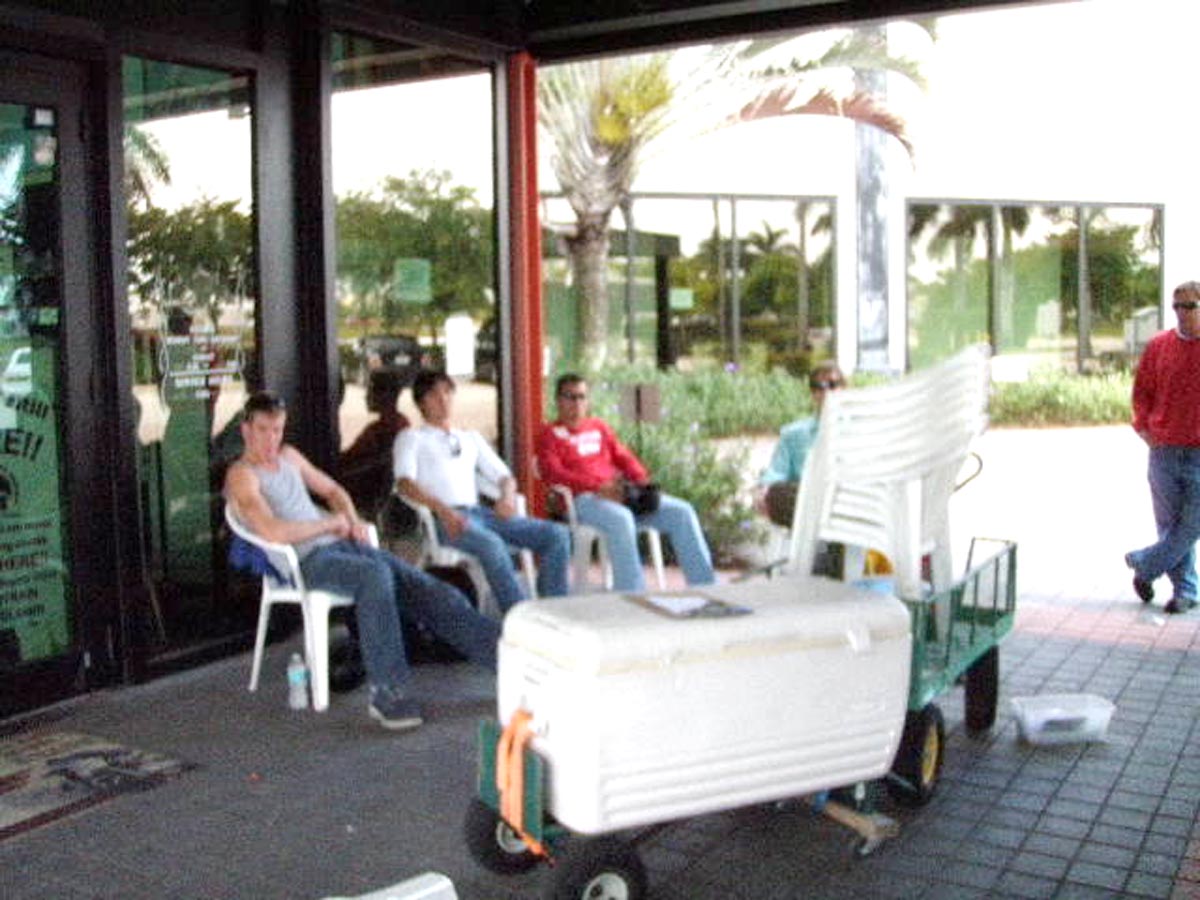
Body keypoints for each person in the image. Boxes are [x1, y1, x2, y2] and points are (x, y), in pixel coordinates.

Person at [224, 390, 500, 731]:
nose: (271, 439)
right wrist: (328, 524)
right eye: (263, 430)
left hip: (341, 546)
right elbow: (272, 531)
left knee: (428, 587)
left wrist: (352, 523)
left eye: (277, 429)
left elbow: (334, 492)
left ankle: (505, 658)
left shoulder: (289, 457)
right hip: (305, 562)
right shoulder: (243, 475)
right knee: (375, 576)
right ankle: (389, 694)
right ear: (246, 430)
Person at [393, 370, 570, 610]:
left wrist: (507, 498)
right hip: (445, 519)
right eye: (434, 395)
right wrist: (443, 511)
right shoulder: (412, 438)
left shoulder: (469, 437)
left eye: (447, 392)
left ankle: (554, 609)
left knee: (556, 535)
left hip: (483, 514)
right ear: (421, 402)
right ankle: (519, 614)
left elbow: (505, 476)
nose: (443, 399)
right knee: (492, 545)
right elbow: (404, 483)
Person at [536, 373, 716, 592]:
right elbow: (554, 473)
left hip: (619, 492)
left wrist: (640, 480)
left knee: (682, 512)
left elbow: (623, 456)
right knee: (621, 518)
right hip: (583, 499)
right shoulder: (549, 435)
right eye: (570, 397)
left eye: (582, 397)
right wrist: (598, 487)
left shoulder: (598, 427)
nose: (577, 403)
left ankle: (706, 587)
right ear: (558, 400)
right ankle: (631, 592)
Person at [1124, 281, 1200, 615]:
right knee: (1170, 525)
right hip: (1164, 451)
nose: (1182, 313)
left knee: (1191, 524)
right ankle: (1185, 591)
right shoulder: (1159, 346)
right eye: (1177, 306)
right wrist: (1143, 428)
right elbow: (1142, 392)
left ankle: (1145, 564)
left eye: (1190, 306)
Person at [754, 361, 846, 527]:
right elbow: (776, 472)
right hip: (807, 502)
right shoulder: (793, 434)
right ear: (812, 393)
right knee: (776, 495)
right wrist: (765, 489)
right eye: (818, 387)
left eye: (832, 385)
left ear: (844, 389)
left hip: (850, 501)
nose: (826, 392)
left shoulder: (863, 431)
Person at [338, 370, 411, 518]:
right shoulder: (380, 427)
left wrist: (340, 474)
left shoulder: (391, 428)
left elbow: (377, 461)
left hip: (364, 493)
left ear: (387, 394)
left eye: (371, 391)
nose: (366, 396)